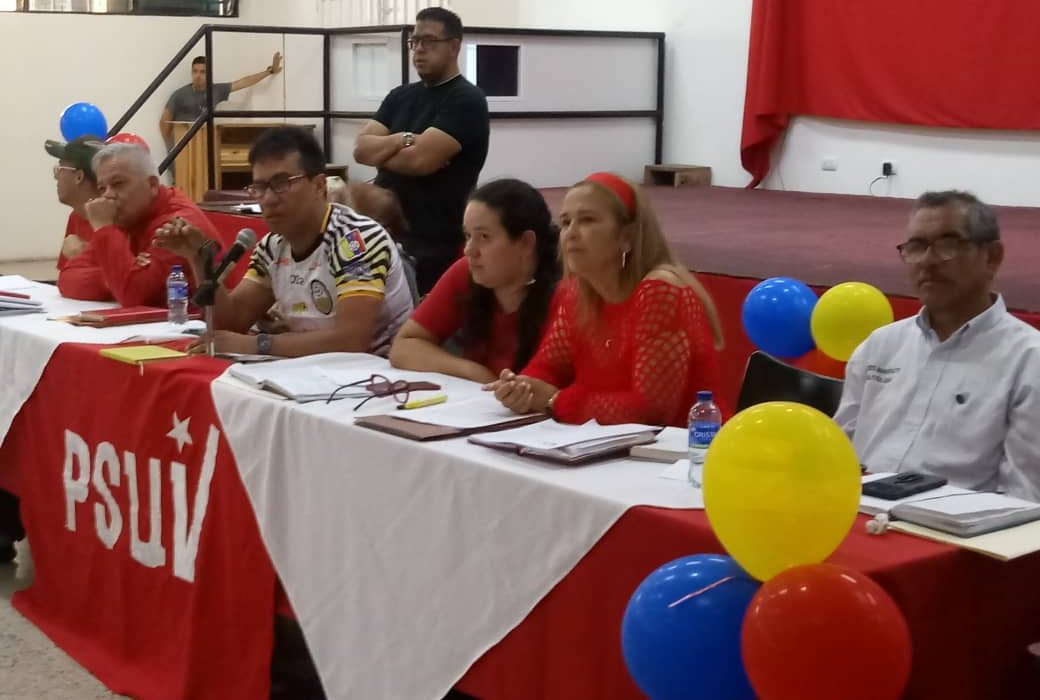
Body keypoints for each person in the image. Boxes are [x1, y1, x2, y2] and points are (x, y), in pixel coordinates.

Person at [834, 191, 1040, 501]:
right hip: (855, 513)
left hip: (955, 527)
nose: (927, 261)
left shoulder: (1028, 360)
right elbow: (838, 453)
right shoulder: (880, 345)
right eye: (916, 246)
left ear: (992, 257)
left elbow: (1024, 500)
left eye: (948, 245)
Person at [488, 172, 726, 428]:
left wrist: (556, 401)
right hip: (611, 443)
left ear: (627, 237)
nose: (571, 233)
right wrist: (521, 388)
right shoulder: (577, 293)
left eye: (587, 220)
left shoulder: (661, 291)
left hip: (688, 447)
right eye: (566, 222)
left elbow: (650, 412)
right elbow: (547, 368)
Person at [155, 126, 413, 358]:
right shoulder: (272, 247)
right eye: (259, 187)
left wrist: (258, 344)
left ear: (319, 186)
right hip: (310, 374)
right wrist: (199, 257)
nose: (268, 199)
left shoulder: (356, 239)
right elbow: (230, 323)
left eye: (281, 184)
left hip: (378, 378)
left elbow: (351, 341)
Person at [353, 7, 489, 294]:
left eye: (429, 41)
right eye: (415, 41)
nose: (419, 49)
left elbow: (419, 161)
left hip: (432, 244)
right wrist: (402, 140)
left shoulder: (466, 100)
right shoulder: (400, 96)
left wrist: (384, 153)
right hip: (382, 232)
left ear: (454, 46)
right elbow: (361, 149)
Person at [389, 178, 560, 383]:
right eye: (468, 236)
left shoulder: (566, 292)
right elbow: (404, 345)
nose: (469, 250)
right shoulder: (466, 271)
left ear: (526, 243)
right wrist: (475, 373)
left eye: (484, 237)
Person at [57, 142, 219, 306]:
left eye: (118, 184)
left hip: (194, 320)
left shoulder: (176, 224)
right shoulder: (128, 215)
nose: (108, 196)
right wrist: (114, 278)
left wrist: (105, 230)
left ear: (152, 184)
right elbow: (67, 278)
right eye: (102, 188)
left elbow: (132, 294)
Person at [160, 53, 283, 150]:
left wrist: (270, 71)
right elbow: (163, 122)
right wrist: (171, 148)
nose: (198, 75)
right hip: (183, 147)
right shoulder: (180, 94)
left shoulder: (216, 90)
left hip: (204, 144)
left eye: (202, 72)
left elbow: (243, 82)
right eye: (195, 71)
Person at [44, 135, 103, 270]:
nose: (56, 176)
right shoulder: (77, 216)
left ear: (79, 177)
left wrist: (84, 257)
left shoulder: (116, 222)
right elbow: (65, 275)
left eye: (61, 168)